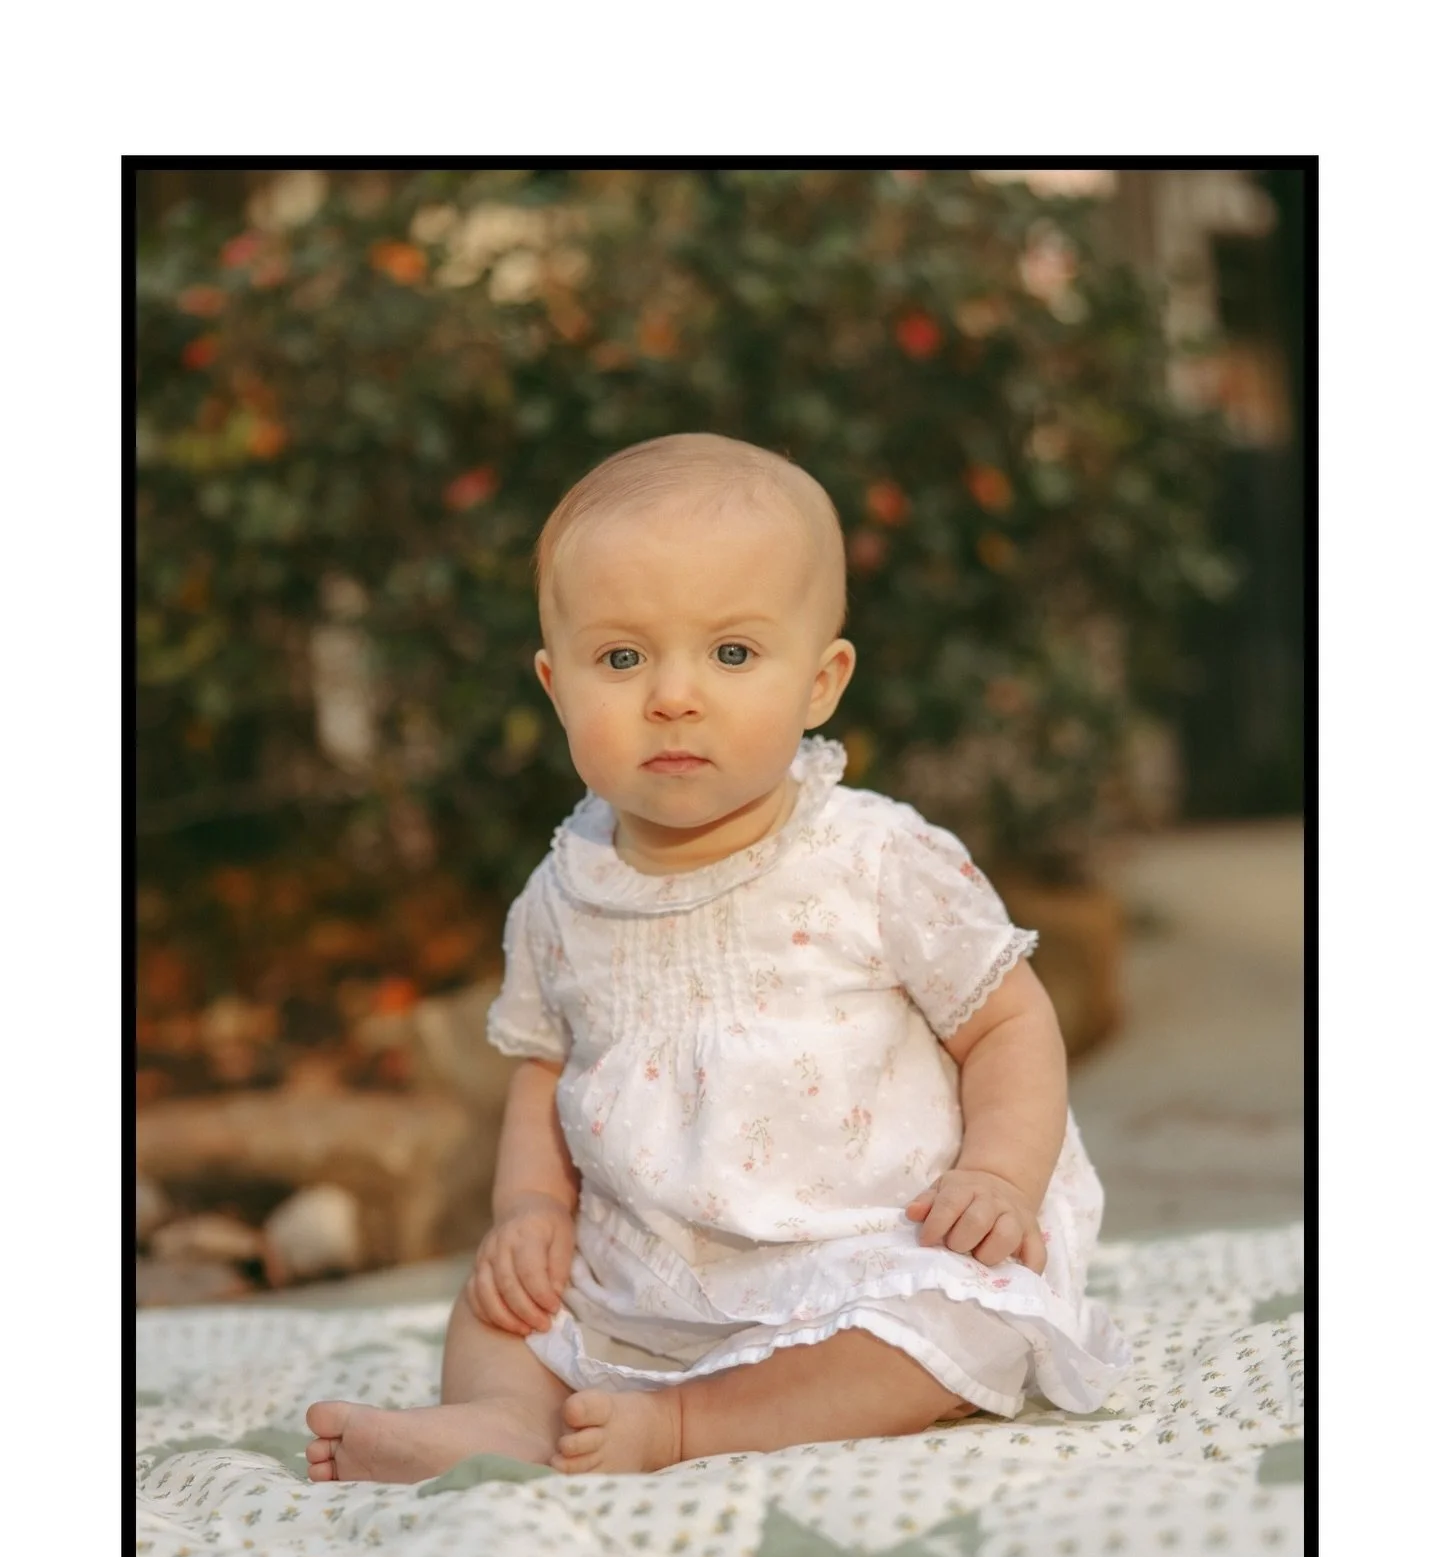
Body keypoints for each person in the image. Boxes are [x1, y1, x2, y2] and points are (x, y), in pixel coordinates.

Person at [305, 433, 1131, 1483]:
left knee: (964, 1322)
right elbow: (544, 1068)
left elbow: (1007, 1019)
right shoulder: (564, 895)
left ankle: (699, 1424)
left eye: (732, 654)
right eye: (622, 658)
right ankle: (504, 1419)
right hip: (647, 1263)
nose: (674, 696)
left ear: (822, 680)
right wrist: (529, 1214)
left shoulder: (875, 858)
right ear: (556, 687)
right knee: (501, 1308)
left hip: (865, 1242)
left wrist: (998, 1175)